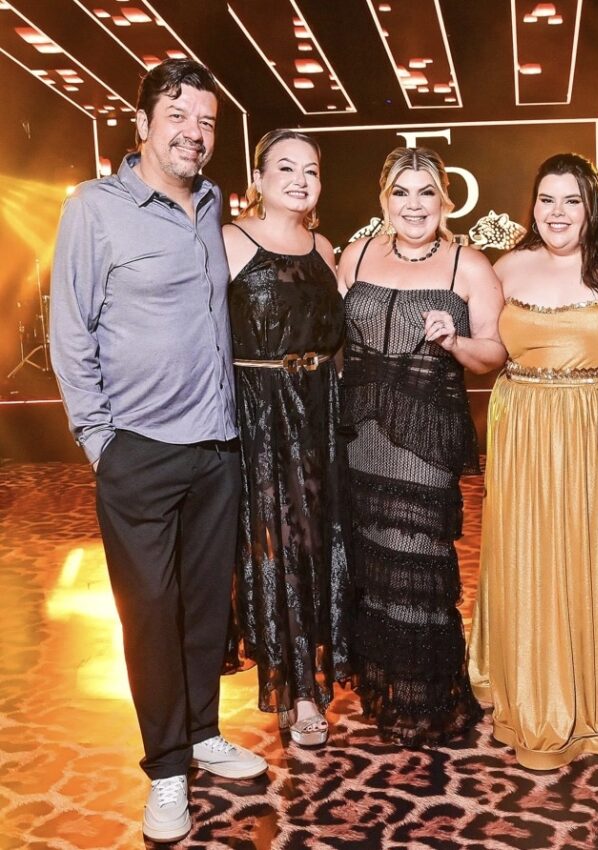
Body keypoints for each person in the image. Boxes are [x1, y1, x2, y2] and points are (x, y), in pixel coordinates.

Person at [49, 59, 266, 844]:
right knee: (148, 615)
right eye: (177, 116)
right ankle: (167, 768)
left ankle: (202, 732)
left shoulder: (210, 204)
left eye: (206, 121)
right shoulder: (94, 209)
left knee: (206, 607)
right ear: (141, 124)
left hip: (216, 446)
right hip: (137, 450)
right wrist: (100, 441)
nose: (193, 133)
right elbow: (70, 331)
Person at [467, 153, 598, 769]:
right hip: (529, 434)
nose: (557, 213)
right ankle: (546, 684)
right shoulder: (505, 268)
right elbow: (486, 348)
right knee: (538, 556)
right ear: (532, 206)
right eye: (546, 200)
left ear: (593, 205)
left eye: (571, 201)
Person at [336, 147, 505, 745]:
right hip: (360, 433)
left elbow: (494, 353)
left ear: (444, 200)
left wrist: (455, 340)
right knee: (372, 559)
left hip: (425, 436)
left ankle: (425, 695)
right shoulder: (356, 254)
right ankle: (383, 684)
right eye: (401, 192)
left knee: (416, 556)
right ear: (385, 201)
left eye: (426, 192)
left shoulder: (469, 265)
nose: (414, 205)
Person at [221, 129, 350, 747]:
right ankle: (298, 692)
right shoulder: (230, 241)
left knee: (316, 543)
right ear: (259, 178)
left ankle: (311, 674)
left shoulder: (323, 247)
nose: (300, 180)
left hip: (319, 411)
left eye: (311, 170)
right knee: (277, 546)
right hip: (260, 414)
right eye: (286, 167)